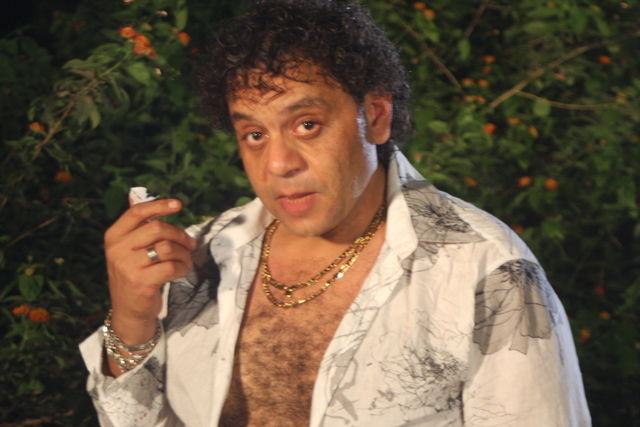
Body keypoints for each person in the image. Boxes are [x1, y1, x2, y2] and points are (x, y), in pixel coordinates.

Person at [80, 0, 592, 426]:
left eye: (306, 124)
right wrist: (132, 322)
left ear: (375, 116)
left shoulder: (483, 271)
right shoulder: (200, 257)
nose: (278, 163)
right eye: (254, 134)